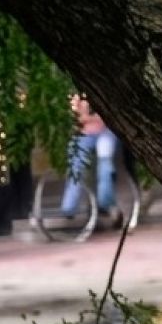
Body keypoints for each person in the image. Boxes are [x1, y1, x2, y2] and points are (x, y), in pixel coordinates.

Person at [63, 93, 122, 226]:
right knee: (76, 163)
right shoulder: (78, 93)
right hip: (84, 133)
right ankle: (69, 206)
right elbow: (74, 117)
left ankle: (105, 203)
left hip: (106, 132)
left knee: (105, 164)